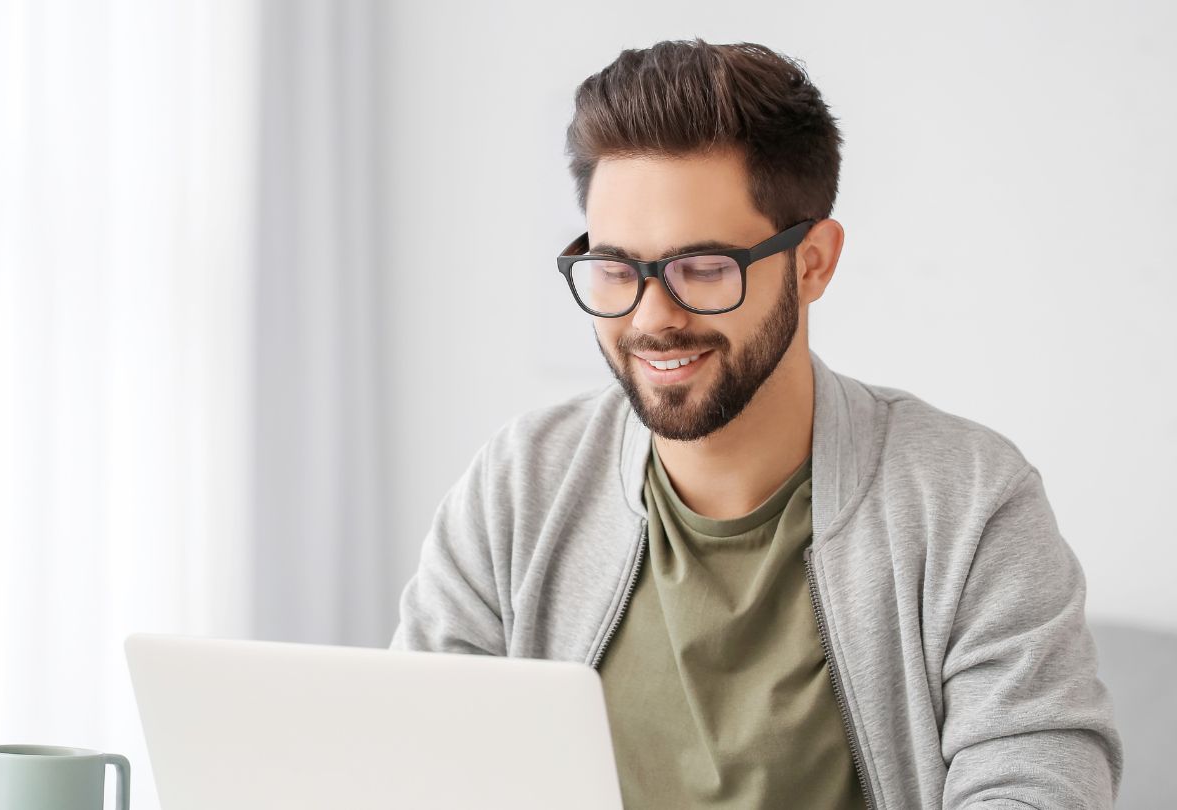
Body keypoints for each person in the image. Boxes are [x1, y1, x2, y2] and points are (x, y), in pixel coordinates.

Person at [388, 38, 1123, 809]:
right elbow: (413, 754)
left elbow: (1040, 776)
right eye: (616, 268)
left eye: (704, 268)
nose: (651, 319)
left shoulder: (968, 501)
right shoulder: (521, 486)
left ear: (813, 263)